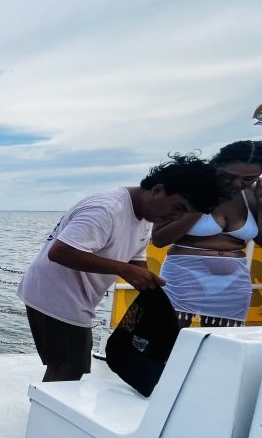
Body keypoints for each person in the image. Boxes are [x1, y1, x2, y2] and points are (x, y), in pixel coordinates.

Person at [17, 154, 222, 383]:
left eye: (185, 213)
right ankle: (46, 415)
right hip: (55, 295)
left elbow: (135, 257)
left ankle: (44, 411)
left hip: (73, 297)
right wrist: (124, 270)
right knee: (69, 370)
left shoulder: (145, 215)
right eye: (177, 207)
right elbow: (60, 252)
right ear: (158, 189)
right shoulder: (106, 209)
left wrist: (147, 281)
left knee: (63, 365)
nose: (175, 217)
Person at [152, 141, 262, 327]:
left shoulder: (252, 194)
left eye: (248, 179)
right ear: (217, 165)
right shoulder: (188, 187)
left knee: (222, 347)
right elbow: (160, 239)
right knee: (167, 342)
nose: (237, 183)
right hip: (184, 276)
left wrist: (261, 204)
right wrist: (203, 202)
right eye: (229, 176)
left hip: (233, 282)